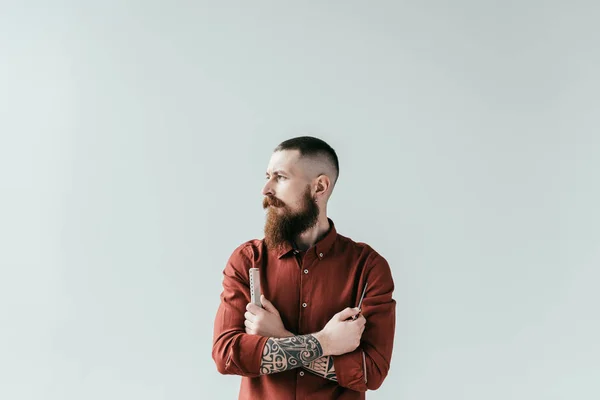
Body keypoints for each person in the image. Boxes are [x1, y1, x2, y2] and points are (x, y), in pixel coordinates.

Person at [212, 136, 396, 399]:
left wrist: (278, 336)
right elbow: (228, 355)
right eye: (267, 176)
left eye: (280, 177)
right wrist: (326, 342)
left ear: (319, 186)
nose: (266, 189)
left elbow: (371, 372)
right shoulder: (247, 259)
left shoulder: (368, 267)